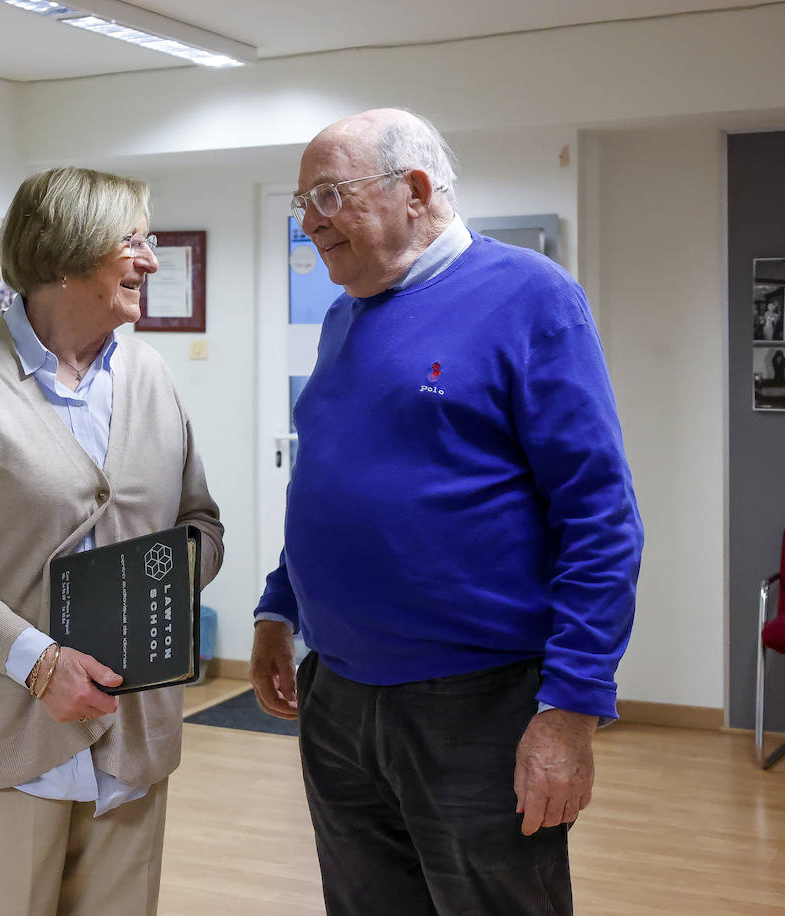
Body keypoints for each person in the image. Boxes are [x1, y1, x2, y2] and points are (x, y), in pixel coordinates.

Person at [249, 108, 644, 916]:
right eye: (302, 203)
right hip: (339, 695)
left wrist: (571, 709)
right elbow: (332, 484)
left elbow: (600, 519)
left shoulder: (531, 298)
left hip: (477, 702)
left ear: (415, 191)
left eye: (327, 195)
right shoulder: (343, 318)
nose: (310, 223)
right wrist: (277, 607)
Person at [0, 165, 224, 916]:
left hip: (133, 738)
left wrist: (156, 592)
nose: (152, 259)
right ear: (67, 256)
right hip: (5, 737)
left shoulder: (151, 374)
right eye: (131, 241)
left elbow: (201, 523)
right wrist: (39, 663)